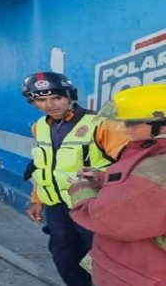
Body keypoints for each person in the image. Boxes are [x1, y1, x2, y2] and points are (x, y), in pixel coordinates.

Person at [22, 72, 125, 286]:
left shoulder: (101, 124)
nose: (50, 105)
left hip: (93, 206)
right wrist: (37, 199)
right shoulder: (39, 126)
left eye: (57, 98)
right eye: (41, 100)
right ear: (33, 102)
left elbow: (128, 164)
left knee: (102, 259)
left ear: (70, 97)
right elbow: (44, 166)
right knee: (64, 255)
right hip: (57, 207)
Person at [68, 84, 166, 286]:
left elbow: (106, 218)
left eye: (130, 123)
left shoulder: (159, 167)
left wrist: (81, 190)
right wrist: (106, 180)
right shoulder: (153, 151)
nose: (122, 128)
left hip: (140, 274)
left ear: (162, 126)